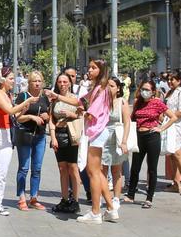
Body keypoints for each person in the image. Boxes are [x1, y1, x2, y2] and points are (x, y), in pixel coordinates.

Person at [52, 59, 117, 223]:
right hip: (94, 132)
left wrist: (82, 111)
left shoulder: (102, 90)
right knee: (97, 172)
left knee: (93, 172)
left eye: (93, 68)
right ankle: (110, 208)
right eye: (89, 67)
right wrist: (58, 96)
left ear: (101, 71)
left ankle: (95, 212)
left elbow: (89, 113)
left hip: (96, 133)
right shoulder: (95, 88)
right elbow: (78, 101)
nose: (89, 70)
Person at [0, 67, 34, 217]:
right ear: (2, 80)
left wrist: (24, 110)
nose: (13, 81)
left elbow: (13, 115)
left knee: (2, 173)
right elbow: (10, 110)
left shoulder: (8, 95)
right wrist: (27, 101)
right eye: (10, 78)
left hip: (6, 135)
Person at [126, 80, 168, 208]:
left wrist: (161, 128)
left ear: (153, 91)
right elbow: (132, 118)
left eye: (147, 90)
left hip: (152, 136)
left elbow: (172, 116)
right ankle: (131, 194)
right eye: (143, 89)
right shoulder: (138, 102)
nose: (144, 92)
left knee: (152, 168)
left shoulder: (157, 103)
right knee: (135, 167)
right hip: (139, 136)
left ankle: (149, 198)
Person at [13, 71, 51, 211]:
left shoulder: (44, 99)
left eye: (39, 81)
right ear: (29, 83)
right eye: (34, 81)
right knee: (24, 168)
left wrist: (47, 116)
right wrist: (31, 117)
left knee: (37, 168)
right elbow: (17, 117)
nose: (37, 83)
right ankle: (22, 197)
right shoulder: (23, 97)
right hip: (25, 135)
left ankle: (34, 197)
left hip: (40, 136)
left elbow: (49, 116)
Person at [47, 72, 84, 213]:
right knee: (62, 168)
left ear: (70, 83)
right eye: (59, 82)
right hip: (59, 134)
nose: (62, 84)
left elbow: (82, 115)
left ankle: (75, 200)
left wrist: (71, 115)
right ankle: (64, 199)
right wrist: (53, 137)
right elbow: (51, 119)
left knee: (73, 168)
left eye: (65, 82)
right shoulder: (54, 100)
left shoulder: (75, 99)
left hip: (72, 135)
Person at [101, 78, 133, 210]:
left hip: (117, 137)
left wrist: (124, 141)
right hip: (103, 137)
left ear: (118, 88)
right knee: (102, 170)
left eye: (112, 86)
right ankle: (103, 197)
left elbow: (127, 122)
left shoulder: (122, 102)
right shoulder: (102, 102)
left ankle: (116, 198)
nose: (109, 88)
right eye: (107, 86)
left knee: (116, 170)